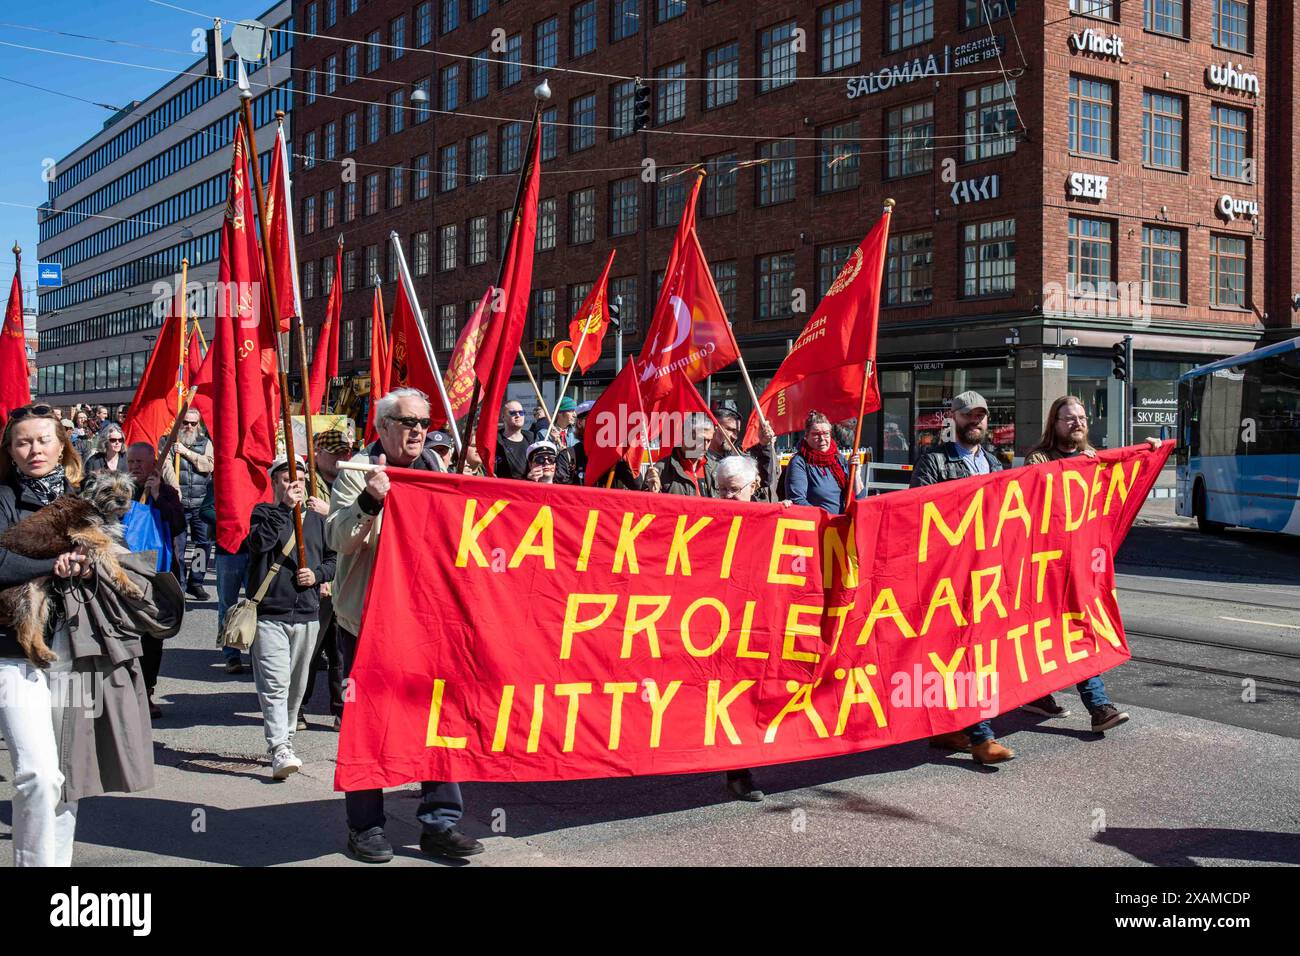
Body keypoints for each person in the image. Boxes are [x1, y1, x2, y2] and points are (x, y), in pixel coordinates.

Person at [0, 406, 182, 867]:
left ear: (63, 445)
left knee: (66, 775)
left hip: (78, 648)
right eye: (23, 442)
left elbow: (119, 543)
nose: (34, 449)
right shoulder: (2, 497)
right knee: (36, 774)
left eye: (43, 440)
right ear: (10, 450)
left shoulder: (84, 496)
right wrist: (53, 564)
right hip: (13, 651)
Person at [326, 387, 482, 862]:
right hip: (369, 619)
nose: (417, 431)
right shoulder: (357, 473)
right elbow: (339, 538)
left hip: (430, 620)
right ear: (384, 426)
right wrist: (370, 501)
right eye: (408, 422)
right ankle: (365, 826)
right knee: (371, 723)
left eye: (423, 424)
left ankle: (439, 822)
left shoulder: (437, 473)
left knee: (441, 719)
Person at [1017, 395, 1160, 732]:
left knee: (1071, 631)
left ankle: (1043, 695)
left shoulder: (1093, 459)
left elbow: (1122, 477)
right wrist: (1081, 467)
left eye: (1081, 417)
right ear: (1054, 423)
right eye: (1069, 418)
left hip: (1081, 567)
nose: (1077, 423)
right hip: (1047, 567)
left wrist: (1148, 451)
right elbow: (1039, 493)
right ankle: (1097, 706)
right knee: (1067, 631)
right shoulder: (1038, 458)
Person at [910, 390, 1014, 764]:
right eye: (970, 415)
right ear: (953, 418)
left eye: (982, 416)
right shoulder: (935, 461)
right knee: (962, 651)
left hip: (984, 574)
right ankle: (982, 736)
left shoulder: (995, 463)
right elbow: (918, 511)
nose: (977, 422)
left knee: (973, 652)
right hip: (948, 576)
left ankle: (946, 728)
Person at [246, 456, 336, 779]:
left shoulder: (316, 519)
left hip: (308, 614)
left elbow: (332, 558)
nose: (290, 485)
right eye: (284, 479)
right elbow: (259, 544)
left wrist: (317, 575)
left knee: (297, 686)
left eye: (295, 479)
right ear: (275, 483)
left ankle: (287, 740)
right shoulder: (264, 514)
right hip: (270, 613)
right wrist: (285, 508)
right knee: (275, 684)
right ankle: (278, 747)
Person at [125, 442, 186, 719]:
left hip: (157, 572)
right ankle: (125, 693)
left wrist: (159, 494)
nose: (135, 467)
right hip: (125, 571)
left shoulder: (167, 492)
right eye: (131, 462)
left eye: (140, 462)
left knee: (152, 636)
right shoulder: (119, 489)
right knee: (126, 634)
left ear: (153, 463)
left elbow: (179, 525)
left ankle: (147, 692)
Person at [300, 430, 349, 731]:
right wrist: (319, 575)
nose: (342, 457)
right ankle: (298, 708)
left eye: (344, 451)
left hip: (346, 577)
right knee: (309, 651)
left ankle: (342, 709)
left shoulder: (351, 481)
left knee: (341, 654)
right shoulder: (306, 485)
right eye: (335, 452)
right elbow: (304, 537)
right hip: (317, 578)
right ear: (318, 453)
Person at [166, 409, 214, 602]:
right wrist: (174, 487)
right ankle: (180, 583)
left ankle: (196, 582)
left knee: (203, 545)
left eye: (193, 423)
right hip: (178, 503)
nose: (189, 426)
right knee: (178, 546)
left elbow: (208, 465)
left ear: (199, 425)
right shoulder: (169, 442)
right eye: (185, 422)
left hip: (200, 503)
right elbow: (166, 467)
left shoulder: (205, 443)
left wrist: (186, 452)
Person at [785, 411, 859, 514]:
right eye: (816, 434)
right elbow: (797, 500)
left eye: (826, 433)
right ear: (806, 436)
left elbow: (860, 498)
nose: (822, 439)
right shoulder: (799, 462)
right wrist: (826, 518)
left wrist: (855, 475)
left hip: (845, 524)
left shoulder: (838, 459)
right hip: (819, 526)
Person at [645, 412, 717, 497]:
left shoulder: (715, 469)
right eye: (700, 439)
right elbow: (645, 506)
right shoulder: (659, 470)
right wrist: (653, 493)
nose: (705, 447)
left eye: (708, 441)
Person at [495, 400, 532, 480]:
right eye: (513, 413)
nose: (518, 415)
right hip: (504, 489)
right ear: (503, 417)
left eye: (521, 412)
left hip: (527, 489)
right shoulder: (496, 441)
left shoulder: (531, 439)